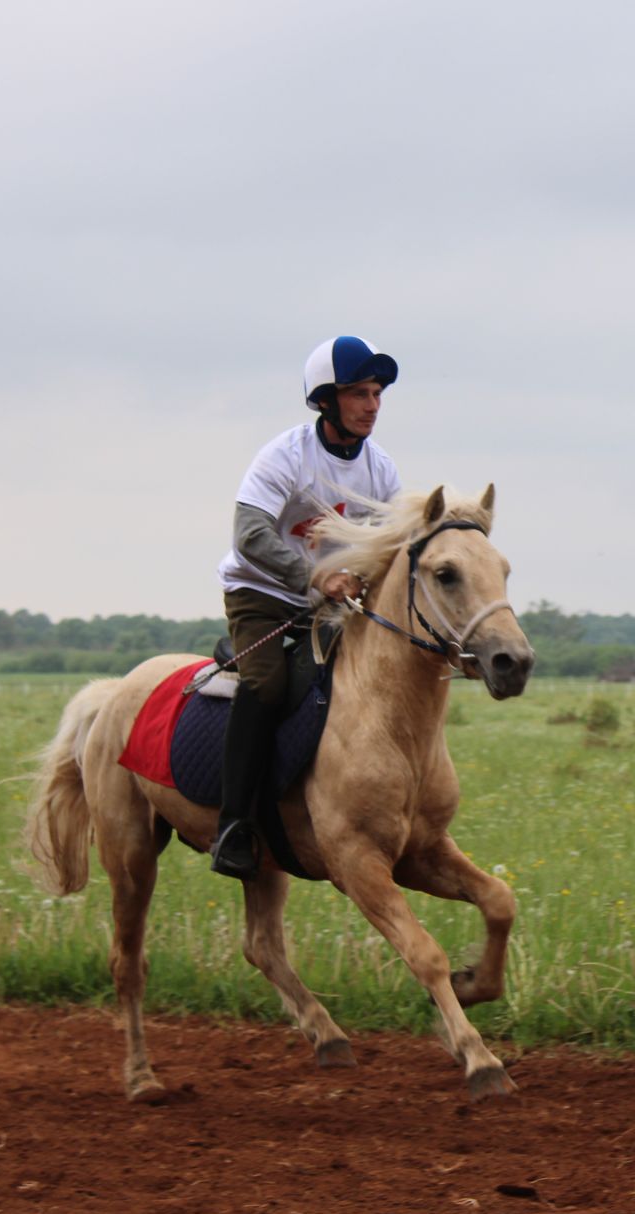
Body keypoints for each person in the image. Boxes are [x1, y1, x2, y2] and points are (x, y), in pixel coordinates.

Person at [208, 335, 403, 879]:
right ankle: (233, 826)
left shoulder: (382, 470)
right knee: (266, 686)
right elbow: (249, 534)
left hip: (334, 604)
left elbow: (390, 549)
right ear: (325, 400)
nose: (372, 405)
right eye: (359, 393)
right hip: (262, 595)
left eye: (377, 393)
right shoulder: (284, 455)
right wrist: (319, 577)